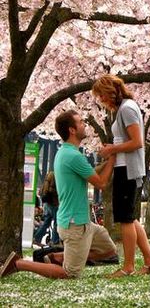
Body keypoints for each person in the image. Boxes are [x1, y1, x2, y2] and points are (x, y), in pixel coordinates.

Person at [1, 110, 117, 279]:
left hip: (82, 222)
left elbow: (90, 173)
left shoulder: (65, 152)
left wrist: (106, 161)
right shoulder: (73, 156)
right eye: (80, 122)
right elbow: (100, 183)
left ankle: (57, 257)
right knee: (70, 273)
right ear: (72, 130)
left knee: (109, 251)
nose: (84, 125)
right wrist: (113, 159)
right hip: (75, 224)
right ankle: (19, 264)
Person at [92, 74, 150, 278]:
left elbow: (137, 142)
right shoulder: (124, 109)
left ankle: (128, 266)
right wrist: (113, 150)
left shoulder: (127, 109)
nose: (101, 100)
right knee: (130, 217)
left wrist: (113, 149)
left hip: (128, 169)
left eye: (102, 95)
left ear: (111, 91)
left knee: (126, 219)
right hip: (125, 167)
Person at [33, 171, 60, 247]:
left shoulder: (49, 174)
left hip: (47, 203)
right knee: (56, 223)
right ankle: (55, 241)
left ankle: (37, 238)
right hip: (54, 203)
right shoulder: (56, 176)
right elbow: (54, 190)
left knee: (46, 223)